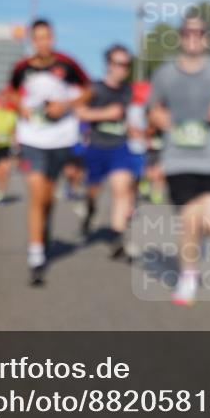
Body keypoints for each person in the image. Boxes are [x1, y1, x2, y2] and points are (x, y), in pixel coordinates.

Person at [149, 14, 210, 305]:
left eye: (198, 33)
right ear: (180, 37)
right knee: (188, 221)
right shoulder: (164, 73)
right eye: (187, 33)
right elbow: (152, 108)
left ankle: (199, 244)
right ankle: (187, 278)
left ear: (207, 38)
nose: (193, 38)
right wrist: (157, 117)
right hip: (177, 159)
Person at [7, 18, 90, 285]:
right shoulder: (22, 68)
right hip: (32, 138)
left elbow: (88, 91)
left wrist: (65, 105)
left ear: (53, 38)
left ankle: (45, 228)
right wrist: (21, 106)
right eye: (39, 37)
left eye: (48, 37)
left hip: (60, 138)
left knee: (47, 195)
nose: (44, 42)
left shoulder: (68, 63)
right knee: (36, 191)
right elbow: (10, 93)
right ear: (33, 40)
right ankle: (36, 256)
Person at [77, 44, 139, 258]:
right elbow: (80, 112)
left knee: (121, 189)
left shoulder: (128, 91)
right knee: (94, 190)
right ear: (108, 64)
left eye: (126, 64)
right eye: (118, 63)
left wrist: (135, 131)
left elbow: (127, 118)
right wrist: (105, 113)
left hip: (119, 146)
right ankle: (90, 210)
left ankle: (117, 237)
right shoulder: (94, 88)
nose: (122, 69)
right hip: (96, 146)